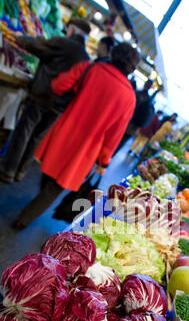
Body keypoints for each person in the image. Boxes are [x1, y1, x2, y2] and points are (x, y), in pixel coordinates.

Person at [13, 42, 140, 229]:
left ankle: (32, 208)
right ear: (132, 67)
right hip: (87, 148)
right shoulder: (129, 97)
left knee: (49, 172)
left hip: (65, 130)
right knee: (57, 186)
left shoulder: (93, 68)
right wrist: (103, 162)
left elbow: (59, 85)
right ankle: (24, 219)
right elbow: (115, 134)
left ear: (114, 54)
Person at [0, 18, 91, 184]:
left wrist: (19, 37)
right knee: (36, 138)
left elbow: (39, 46)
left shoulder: (64, 44)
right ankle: (20, 172)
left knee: (24, 131)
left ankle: (7, 170)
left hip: (43, 94)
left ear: (72, 30)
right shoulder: (85, 57)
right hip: (59, 105)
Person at [114, 78, 155, 152]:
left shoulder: (136, 93)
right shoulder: (149, 100)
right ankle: (108, 159)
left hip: (124, 121)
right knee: (120, 143)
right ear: (150, 87)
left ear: (145, 84)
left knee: (114, 140)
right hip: (133, 128)